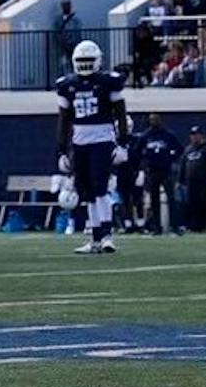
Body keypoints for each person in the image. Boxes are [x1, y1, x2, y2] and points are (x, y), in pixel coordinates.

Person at [56, 41, 129, 254]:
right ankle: (96, 238)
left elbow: (121, 114)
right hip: (80, 142)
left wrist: (123, 143)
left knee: (100, 188)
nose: (85, 65)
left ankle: (107, 235)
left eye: (89, 61)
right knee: (86, 192)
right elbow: (64, 120)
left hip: (102, 139)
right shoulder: (67, 85)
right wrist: (61, 150)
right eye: (82, 61)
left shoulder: (108, 82)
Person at [136, 114, 180, 234]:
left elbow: (179, 149)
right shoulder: (145, 136)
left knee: (171, 198)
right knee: (154, 200)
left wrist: (170, 158)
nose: (153, 121)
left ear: (160, 120)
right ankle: (156, 227)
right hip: (152, 171)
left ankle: (175, 227)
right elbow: (137, 151)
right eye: (151, 120)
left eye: (156, 119)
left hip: (166, 171)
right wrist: (145, 161)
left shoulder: (168, 135)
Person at [179, 128, 206, 232]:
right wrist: (180, 180)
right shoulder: (188, 149)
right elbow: (183, 164)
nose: (194, 137)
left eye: (197, 134)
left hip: (205, 181)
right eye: (192, 135)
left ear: (201, 135)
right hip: (191, 181)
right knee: (192, 203)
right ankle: (194, 226)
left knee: (205, 202)